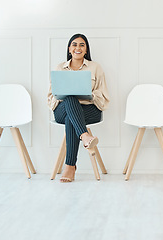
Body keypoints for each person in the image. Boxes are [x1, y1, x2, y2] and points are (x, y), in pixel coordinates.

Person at [47, 33, 110, 182]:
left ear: (86, 50)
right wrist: (64, 96)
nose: (78, 48)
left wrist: (90, 94)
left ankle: (69, 167)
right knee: (70, 98)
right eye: (74, 44)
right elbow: (50, 97)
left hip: (89, 109)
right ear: (69, 49)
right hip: (63, 108)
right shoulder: (60, 68)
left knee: (72, 117)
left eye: (82, 45)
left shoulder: (95, 67)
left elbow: (104, 96)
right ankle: (85, 136)